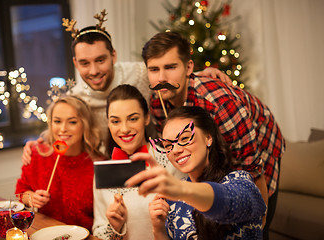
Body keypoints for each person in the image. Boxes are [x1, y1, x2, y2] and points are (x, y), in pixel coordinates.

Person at [21, 11, 231, 164]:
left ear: (114, 56)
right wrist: (38, 142)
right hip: (112, 165)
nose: (93, 71)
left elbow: (166, 72)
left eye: (100, 60)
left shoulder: (140, 73)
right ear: (76, 63)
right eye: (85, 63)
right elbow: (62, 125)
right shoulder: (77, 99)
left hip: (156, 158)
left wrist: (199, 73)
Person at [141, 31, 285, 239]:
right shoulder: (157, 103)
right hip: (215, 157)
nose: (161, 78)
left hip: (260, 144)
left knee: (253, 217)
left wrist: (259, 224)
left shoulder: (218, 104)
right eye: (154, 69)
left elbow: (252, 168)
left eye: (171, 67)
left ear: (188, 67)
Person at [126, 106, 267, 239]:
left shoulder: (240, 180)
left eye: (185, 138)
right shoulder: (173, 202)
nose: (175, 150)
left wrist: (181, 189)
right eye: (168, 145)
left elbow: (232, 201)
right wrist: (159, 229)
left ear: (208, 138)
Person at [92, 84, 186, 240]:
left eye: (133, 119)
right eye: (115, 121)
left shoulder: (171, 160)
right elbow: (98, 231)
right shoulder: (104, 172)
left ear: (146, 118)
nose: (124, 129)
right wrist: (114, 227)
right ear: (108, 123)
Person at [15, 95, 103, 230]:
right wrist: (32, 198)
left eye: (72, 122)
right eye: (57, 121)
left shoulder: (98, 164)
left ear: (85, 125)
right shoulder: (36, 155)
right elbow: (20, 192)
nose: (63, 129)